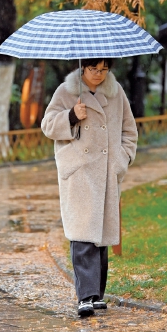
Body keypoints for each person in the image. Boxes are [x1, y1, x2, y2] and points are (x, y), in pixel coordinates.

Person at [41, 58, 137, 318]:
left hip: (106, 171)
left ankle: (97, 295)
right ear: (83, 67)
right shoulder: (66, 91)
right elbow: (47, 125)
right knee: (83, 233)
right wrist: (71, 116)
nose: (99, 74)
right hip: (79, 172)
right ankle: (85, 296)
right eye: (94, 69)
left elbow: (129, 130)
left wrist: (122, 159)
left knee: (100, 235)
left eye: (104, 69)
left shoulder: (116, 93)